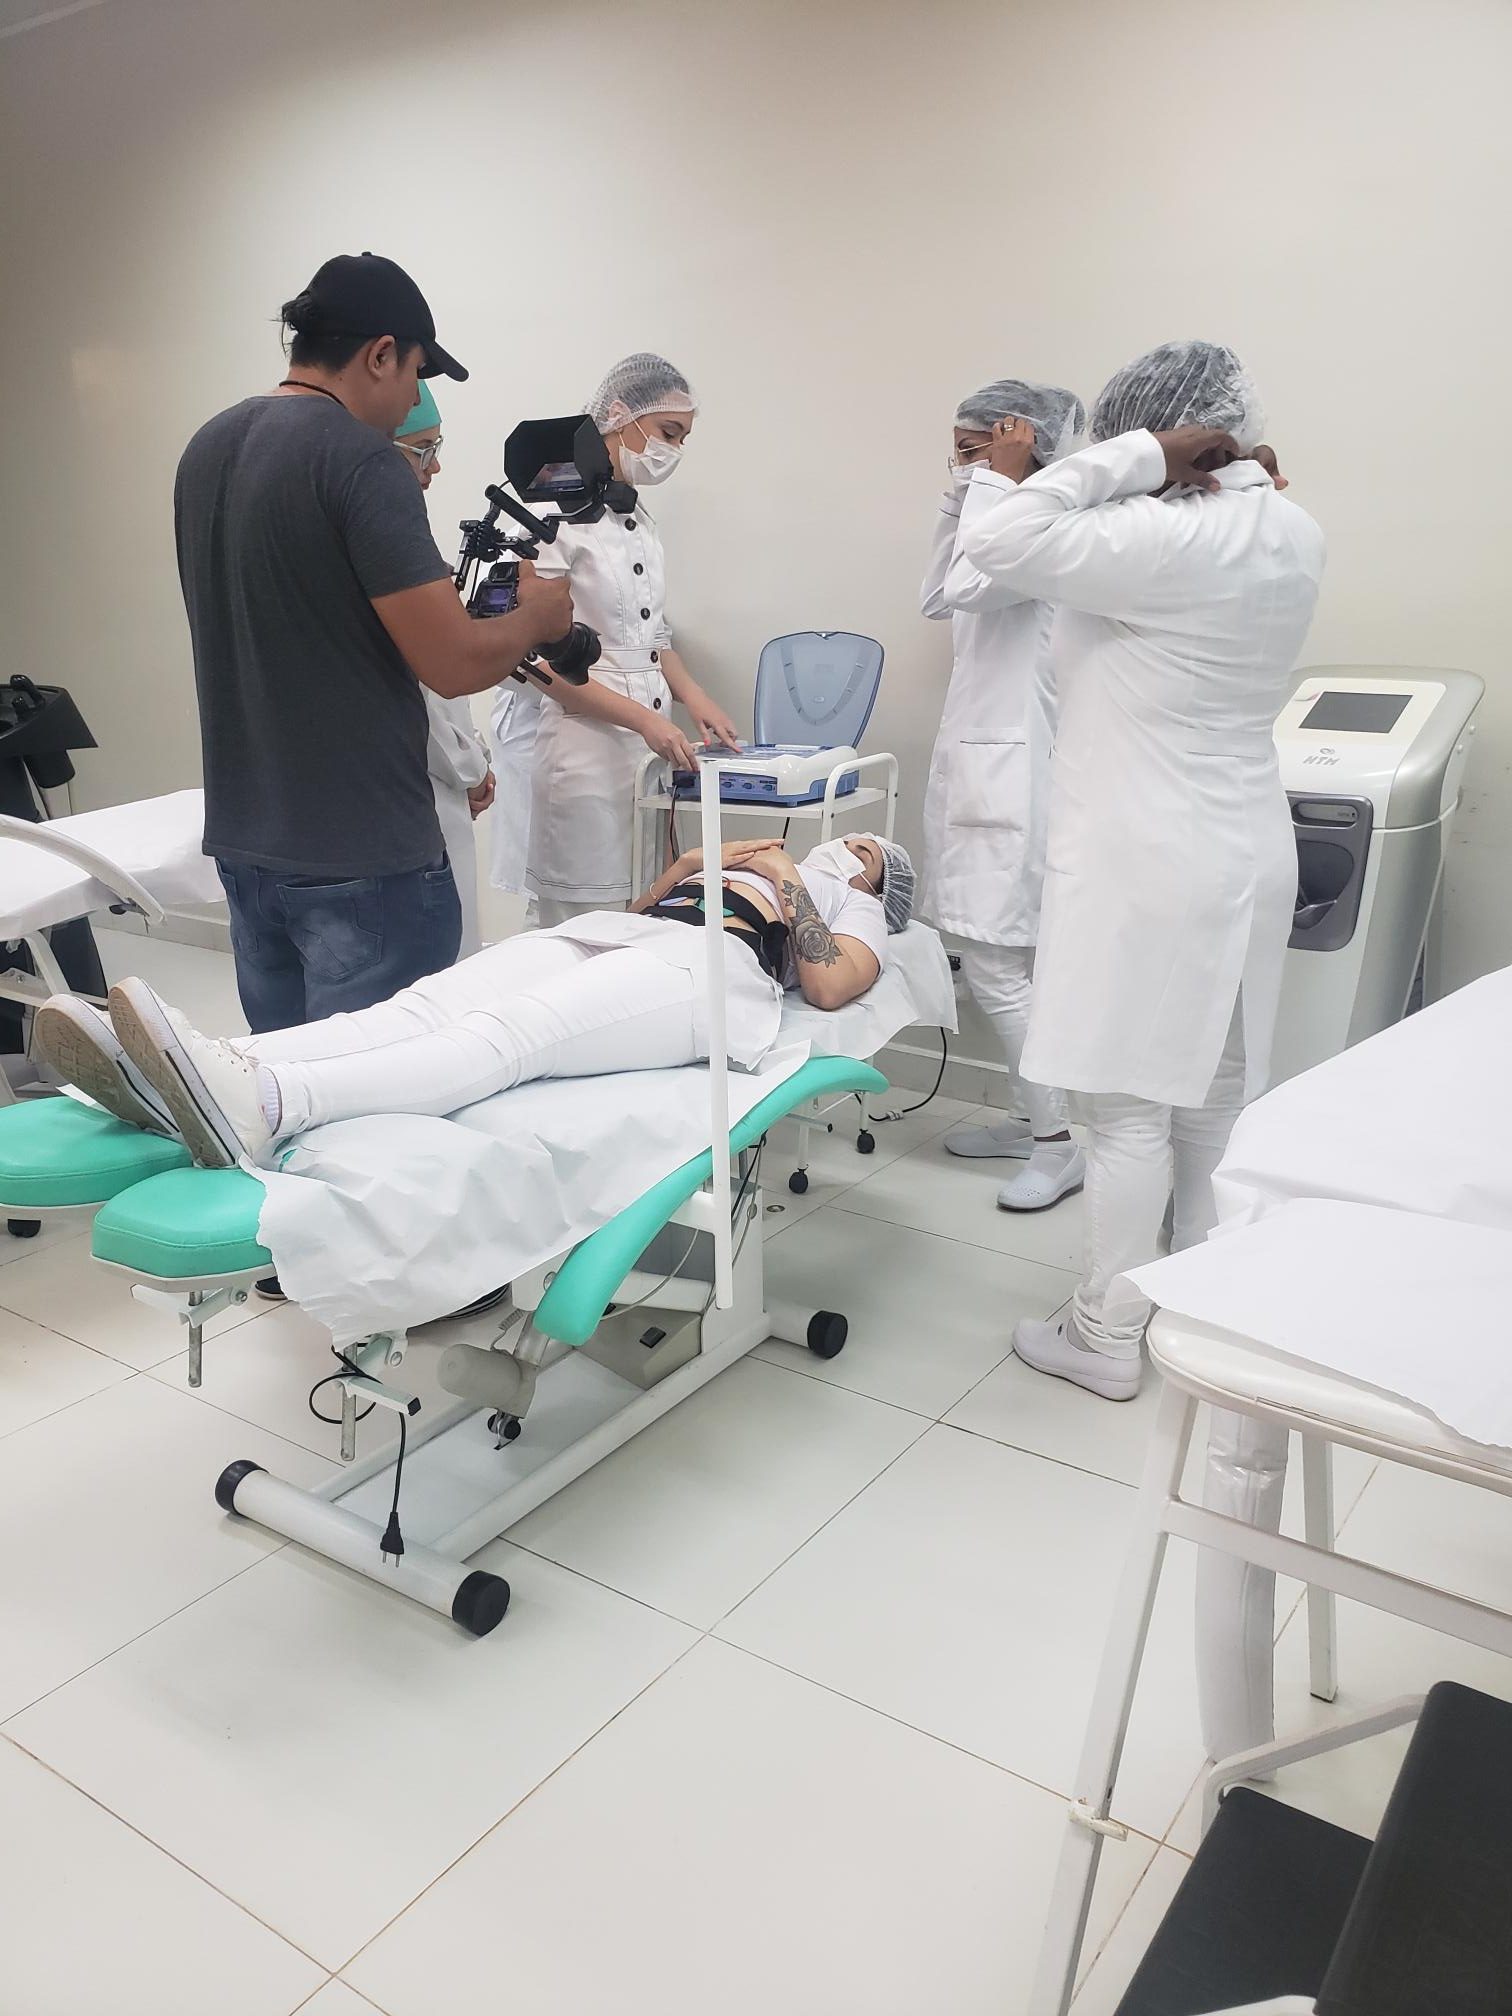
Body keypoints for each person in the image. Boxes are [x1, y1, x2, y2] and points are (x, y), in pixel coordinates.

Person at [953, 340, 1325, 1401]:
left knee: (1123, 1112)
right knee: (1210, 1094)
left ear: (1173, 438)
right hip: (1247, 849)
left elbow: (997, 532)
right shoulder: (1291, 526)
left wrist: (1137, 456)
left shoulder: (1156, 538)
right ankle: (1194, 1309)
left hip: (1146, 861)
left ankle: (1106, 1336)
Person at [176, 250, 575, 1038]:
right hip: (362, 863)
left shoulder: (207, 447)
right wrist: (539, 616)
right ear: (381, 354)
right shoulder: (359, 458)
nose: (409, 403)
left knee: (288, 1082)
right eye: (416, 372)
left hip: (247, 849)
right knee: (383, 1097)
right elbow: (453, 662)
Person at [33, 835, 915, 1169]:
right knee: (417, 1007)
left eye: (870, 850)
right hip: (626, 933)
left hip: (709, 971)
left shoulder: (854, 904)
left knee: (507, 1034)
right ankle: (178, 1068)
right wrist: (685, 870)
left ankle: (267, 1103)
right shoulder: (754, 858)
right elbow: (650, 911)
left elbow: (830, 985)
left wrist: (793, 879)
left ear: (881, 882)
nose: (851, 845)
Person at [490, 353, 741, 930]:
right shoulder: (549, 514)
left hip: (645, 749)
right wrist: (642, 720)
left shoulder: (636, 519)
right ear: (621, 415)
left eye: (683, 439)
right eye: (667, 433)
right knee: (581, 927)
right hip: (582, 746)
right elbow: (533, 659)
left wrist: (695, 697)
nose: (673, 451)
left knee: (645, 914)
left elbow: (650, 634)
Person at [920, 377, 1088, 1212]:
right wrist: (964, 493)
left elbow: (969, 584)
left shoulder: (1043, 525)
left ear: (1023, 438)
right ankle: (1034, 1122)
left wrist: (994, 484)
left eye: (975, 445)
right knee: (1009, 961)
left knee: (994, 964)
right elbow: (934, 595)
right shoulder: (996, 517)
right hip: (986, 766)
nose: (963, 460)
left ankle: (1059, 1144)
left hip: (1017, 778)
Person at [393, 382, 496, 956]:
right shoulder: (390, 542)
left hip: (435, 783)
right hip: (422, 793)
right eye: (424, 450)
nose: (435, 467)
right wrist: (470, 767)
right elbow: (424, 687)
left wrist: (472, 757)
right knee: (443, 967)